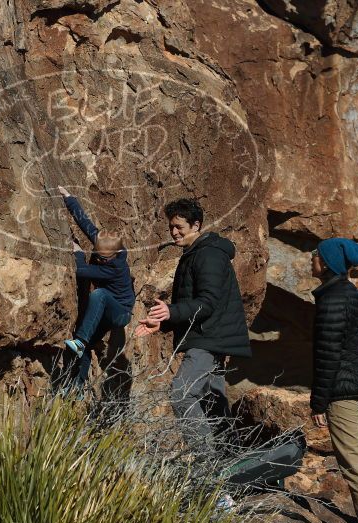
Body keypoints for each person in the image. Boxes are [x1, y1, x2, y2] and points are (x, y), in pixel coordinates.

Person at [136, 198, 251, 452]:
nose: (174, 232)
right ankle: (232, 458)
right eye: (171, 227)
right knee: (213, 403)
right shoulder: (195, 254)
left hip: (208, 339)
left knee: (182, 393)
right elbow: (194, 304)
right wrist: (164, 322)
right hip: (208, 337)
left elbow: (207, 303)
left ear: (196, 225)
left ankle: (205, 462)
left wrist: (170, 311)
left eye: (179, 226)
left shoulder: (208, 255)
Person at [310, 237, 358, 523]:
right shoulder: (346, 293)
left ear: (327, 264)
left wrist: (319, 402)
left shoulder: (334, 299)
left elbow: (328, 354)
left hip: (342, 392)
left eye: (315, 255)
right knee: (356, 462)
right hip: (353, 387)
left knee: (354, 465)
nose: (311, 258)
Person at [59, 186, 134, 390]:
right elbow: (86, 224)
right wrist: (69, 198)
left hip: (120, 312)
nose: (99, 259)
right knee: (87, 340)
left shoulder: (114, 267)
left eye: (103, 258)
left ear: (114, 254)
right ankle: (78, 386)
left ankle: (80, 341)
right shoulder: (106, 246)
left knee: (99, 294)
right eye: (97, 255)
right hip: (106, 309)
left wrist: (78, 254)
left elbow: (81, 271)